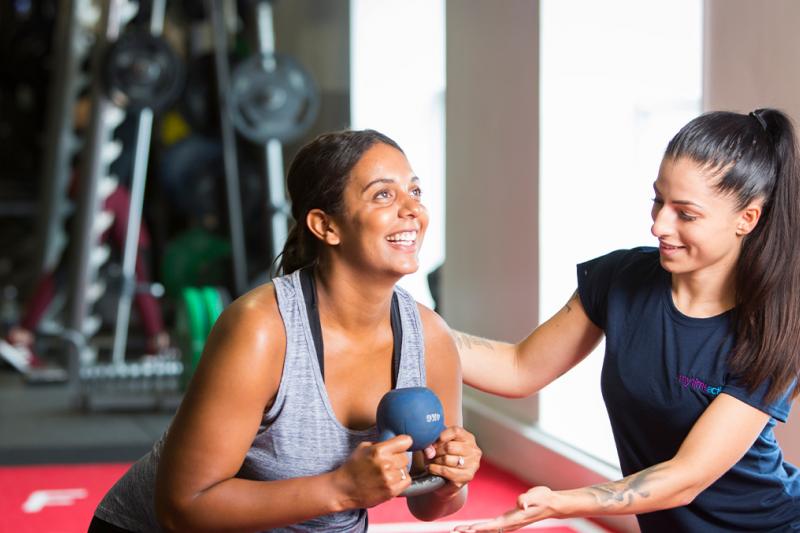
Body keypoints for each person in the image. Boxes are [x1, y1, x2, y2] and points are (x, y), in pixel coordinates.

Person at [89, 129, 482, 532]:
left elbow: (431, 506)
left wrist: (449, 477)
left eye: (415, 192)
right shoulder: (262, 329)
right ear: (326, 226)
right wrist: (343, 488)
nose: (412, 209)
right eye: (383, 195)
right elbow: (183, 509)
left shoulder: (430, 337)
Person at [452, 109, 800, 532]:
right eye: (658, 200)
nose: (658, 225)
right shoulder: (619, 279)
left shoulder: (774, 329)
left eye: (685, 214)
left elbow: (686, 477)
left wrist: (559, 503)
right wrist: (411, 328)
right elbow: (518, 368)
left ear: (747, 218)